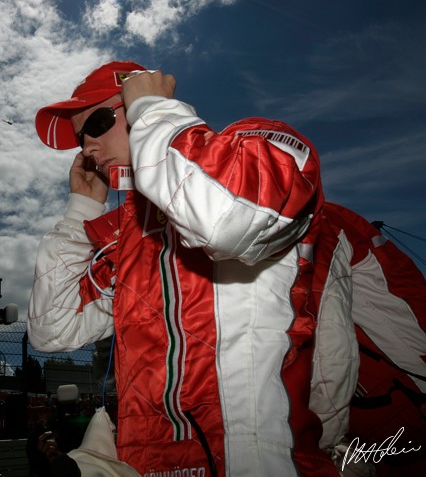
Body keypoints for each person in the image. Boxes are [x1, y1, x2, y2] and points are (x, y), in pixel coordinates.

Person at [28, 60, 357, 476]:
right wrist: (81, 210)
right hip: (146, 463)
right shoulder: (129, 237)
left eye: (96, 123)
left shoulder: (253, 146)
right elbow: (51, 328)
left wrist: (152, 107)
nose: (86, 147)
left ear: (134, 101)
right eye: (80, 139)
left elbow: (230, 219)